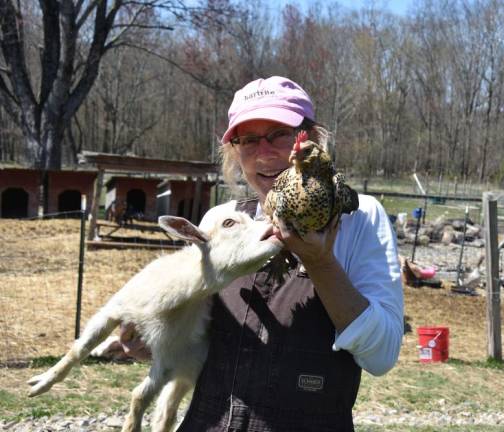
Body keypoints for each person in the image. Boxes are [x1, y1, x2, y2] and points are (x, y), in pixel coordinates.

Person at [121, 76, 404, 431]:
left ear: (310, 138)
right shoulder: (218, 223)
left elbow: (381, 356)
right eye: (249, 140)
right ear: (234, 152)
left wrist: (319, 262)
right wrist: (158, 342)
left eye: (279, 134)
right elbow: (199, 340)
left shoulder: (358, 218)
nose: (265, 153)